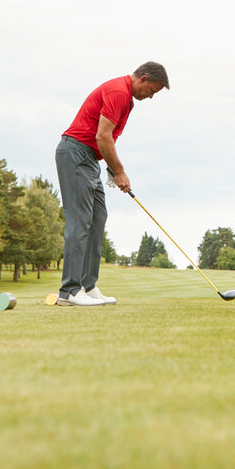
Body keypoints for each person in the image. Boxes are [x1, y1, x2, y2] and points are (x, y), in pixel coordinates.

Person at [54, 61, 169, 306]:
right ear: (144, 79)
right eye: (152, 91)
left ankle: (87, 285)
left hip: (88, 159)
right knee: (80, 221)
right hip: (75, 154)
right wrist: (119, 171)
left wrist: (108, 165)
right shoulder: (119, 92)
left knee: (97, 218)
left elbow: (104, 139)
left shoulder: (127, 99)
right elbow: (102, 136)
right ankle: (70, 291)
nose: (150, 97)